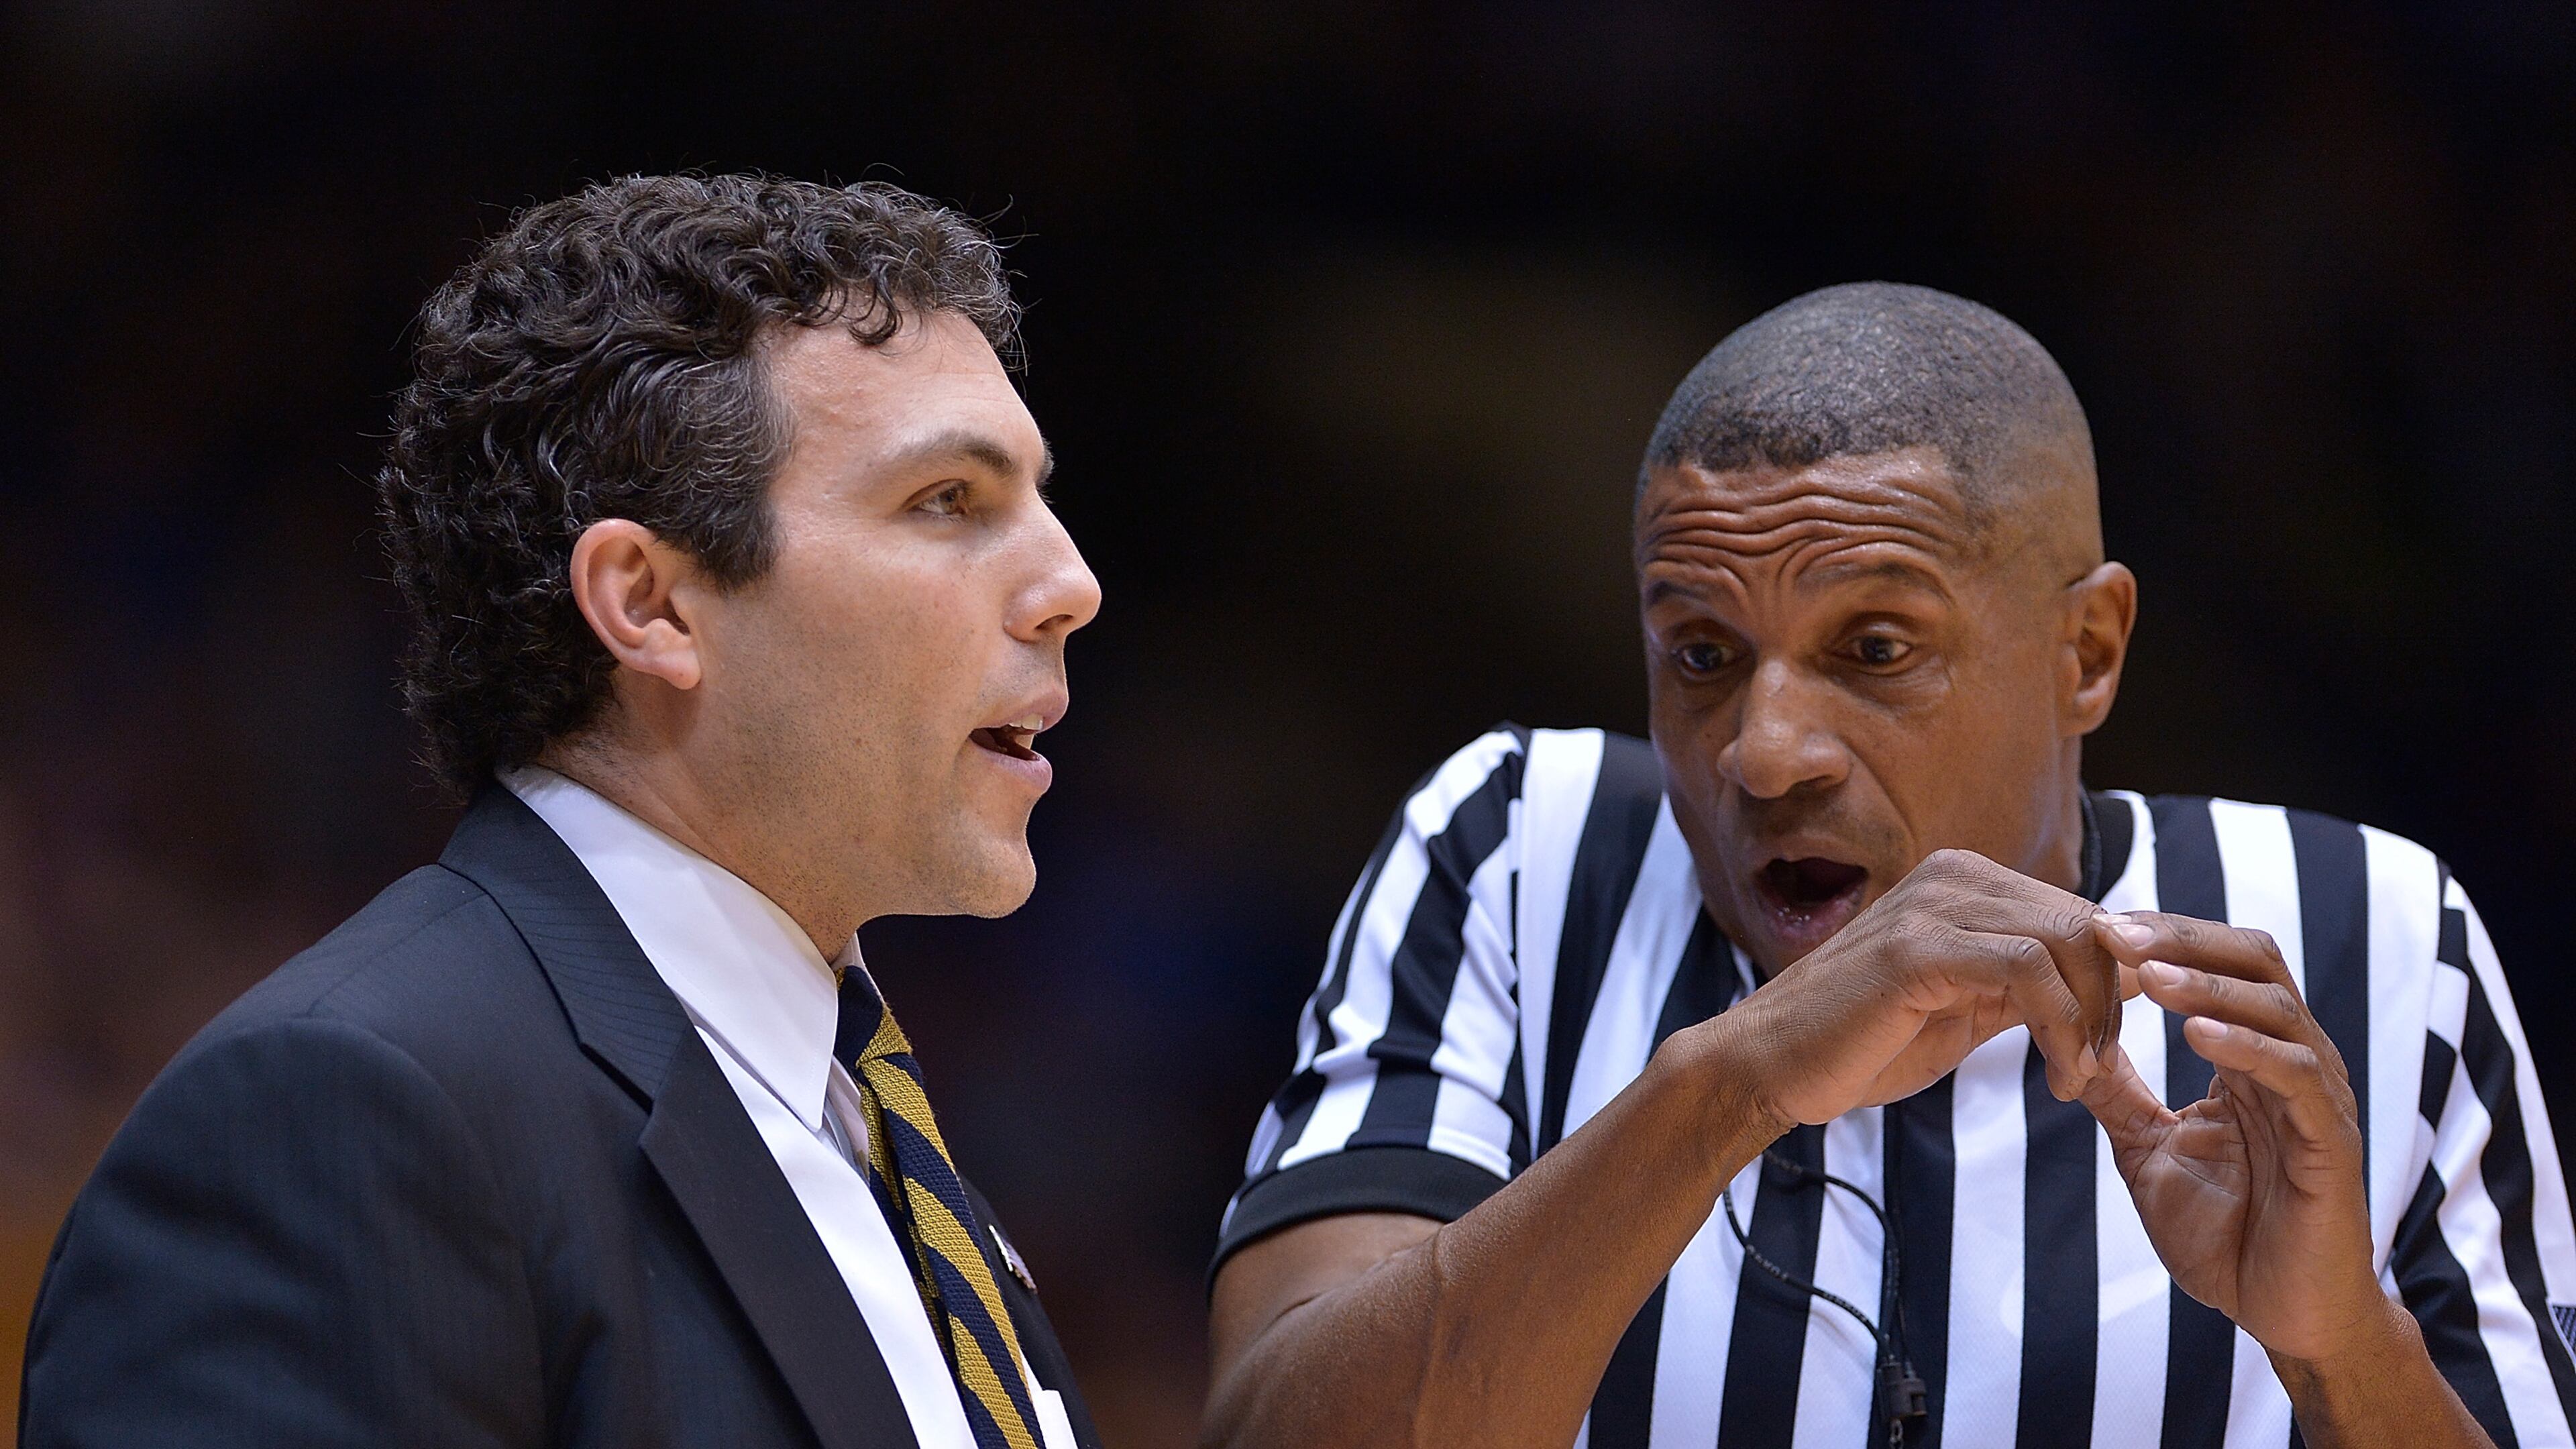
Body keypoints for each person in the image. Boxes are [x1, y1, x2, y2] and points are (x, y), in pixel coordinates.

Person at [1203, 283, 2576, 1448]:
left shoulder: (2373, 932)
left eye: (1875, 650)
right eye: (1701, 654)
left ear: (2085, 653)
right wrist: (1727, 1086)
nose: (1767, 751)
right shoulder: (1516, 845)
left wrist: (2341, 1348)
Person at [20, 174, 1104, 1449]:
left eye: (1037, 496)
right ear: (648, 603)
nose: (1069, 582)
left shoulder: (886, 1139)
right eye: (948, 502)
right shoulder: (345, 1117)